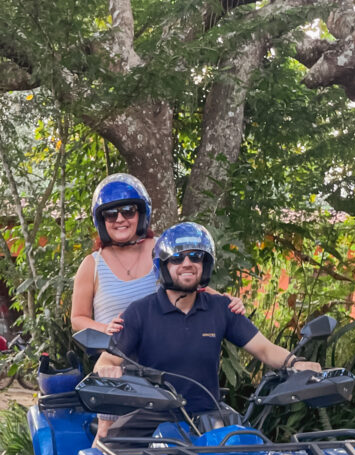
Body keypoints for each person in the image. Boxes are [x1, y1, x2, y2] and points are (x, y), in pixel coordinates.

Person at [93, 222, 321, 438]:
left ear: (205, 265)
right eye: (176, 258)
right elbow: (106, 361)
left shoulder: (221, 308)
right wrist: (107, 371)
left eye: (196, 256)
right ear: (163, 266)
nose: (187, 263)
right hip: (154, 418)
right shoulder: (139, 312)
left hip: (209, 419)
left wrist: (295, 363)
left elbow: (264, 349)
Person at [70, 173, 244, 337]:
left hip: (168, 357)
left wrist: (225, 301)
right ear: (101, 221)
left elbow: (193, 284)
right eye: (110, 215)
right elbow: (77, 318)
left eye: (128, 211)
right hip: (116, 361)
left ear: (141, 214)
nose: (120, 219)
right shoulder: (92, 264)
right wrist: (106, 329)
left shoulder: (162, 248)